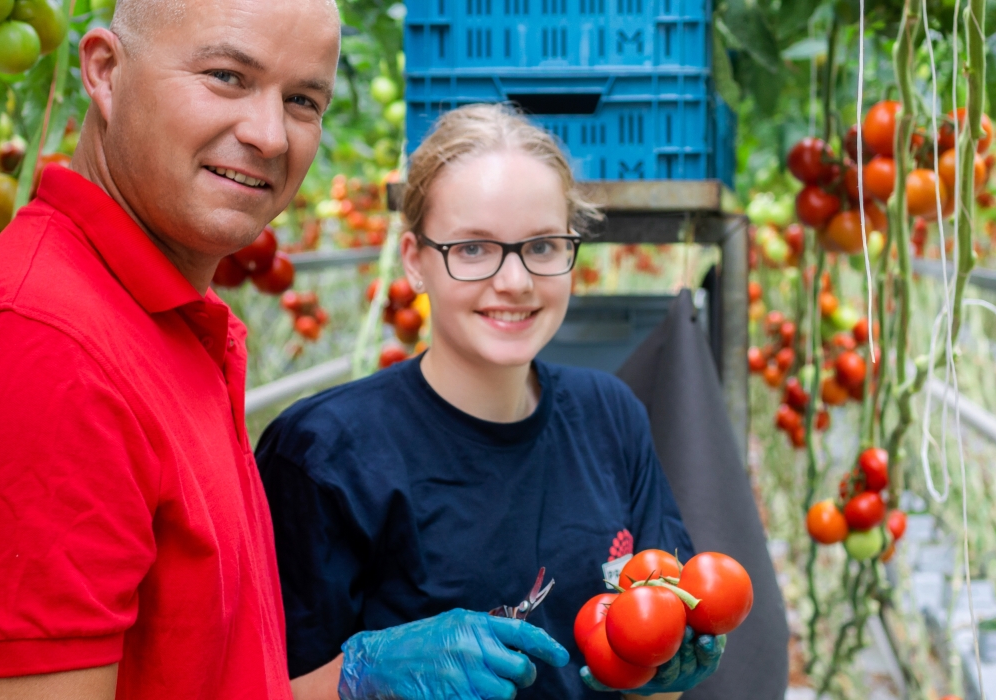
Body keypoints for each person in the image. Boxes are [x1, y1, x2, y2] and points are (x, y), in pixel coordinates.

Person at [0, 0, 339, 697]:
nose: (269, 135)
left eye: (301, 100)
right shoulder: (34, 351)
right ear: (105, 73)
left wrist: (350, 681)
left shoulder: (149, 322)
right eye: (227, 76)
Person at [256, 104, 726, 700]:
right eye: (474, 249)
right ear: (415, 261)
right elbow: (253, 684)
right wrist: (360, 680)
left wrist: (662, 670)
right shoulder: (323, 453)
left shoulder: (612, 415)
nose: (515, 281)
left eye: (543, 246)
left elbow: (655, 681)